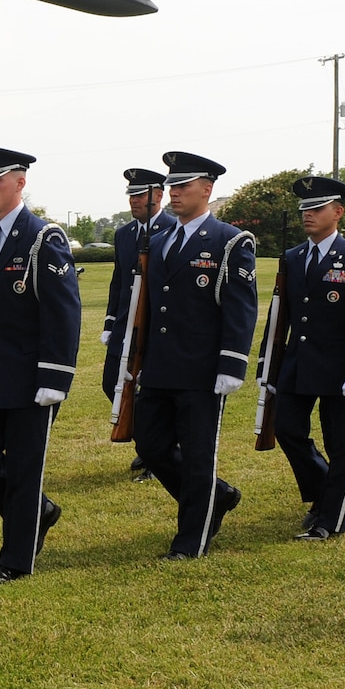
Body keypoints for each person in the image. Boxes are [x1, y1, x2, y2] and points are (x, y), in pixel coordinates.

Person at [0, 146, 78, 582]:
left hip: (31, 375)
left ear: (20, 182)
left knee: (25, 468)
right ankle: (39, 513)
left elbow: (62, 312)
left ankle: (15, 561)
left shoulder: (45, 238)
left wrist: (55, 376)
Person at [128, 151, 256, 560]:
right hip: (161, 366)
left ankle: (191, 541)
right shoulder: (161, 240)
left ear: (207, 189)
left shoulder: (231, 241)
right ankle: (216, 496)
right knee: (150, 446)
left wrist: (232, 362)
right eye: (171, 186)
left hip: (202, 369)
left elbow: (240, 307)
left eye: (183, 186)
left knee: (198, 456)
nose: (174, 193)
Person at [259, 175, 345, 541]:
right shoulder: (294, 257)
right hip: (299, 364)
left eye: (317, 208)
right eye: (304, 209)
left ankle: (330, 519)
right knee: (287, 429)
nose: (308, 215)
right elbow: (279, 314)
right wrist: (268, 364)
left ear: (338, 212)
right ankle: (326, 488)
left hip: (341, 368)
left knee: (341, 445)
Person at [101, 167, 174, 484]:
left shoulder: (174, 229)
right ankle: (152, 445)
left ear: (158, 195)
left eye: (140, 194)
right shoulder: (123, 234)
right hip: (125, 325)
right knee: (111, 383)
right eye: (130, 195)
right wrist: (109, 321)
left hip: (157, 327)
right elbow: (119, 281)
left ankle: (157, 453)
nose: (134, 200)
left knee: (153, 394)